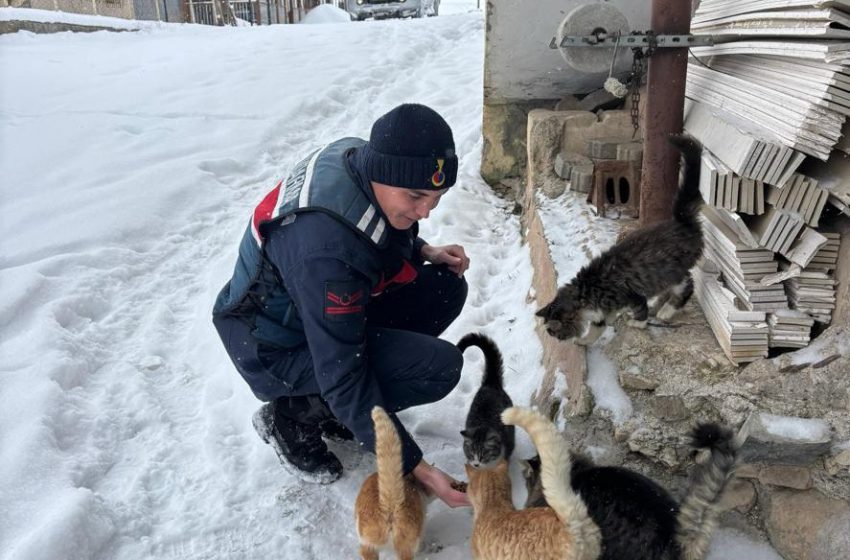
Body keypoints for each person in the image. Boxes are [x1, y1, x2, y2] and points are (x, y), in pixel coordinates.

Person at [212, 103, 470, 508]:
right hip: (273, 347)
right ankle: (292, 418)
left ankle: (341, 410)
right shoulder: (327, 254)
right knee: (438, 369)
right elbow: (343, 371)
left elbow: (376, 232)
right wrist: (416, 467)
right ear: (382, 172)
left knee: (445, 287)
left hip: (309, 309)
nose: (425, 210)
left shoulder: (359, 160)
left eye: (436, 198)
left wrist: (424, 250)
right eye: (417, 196)